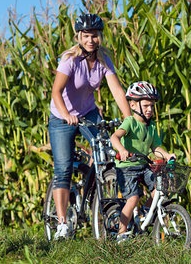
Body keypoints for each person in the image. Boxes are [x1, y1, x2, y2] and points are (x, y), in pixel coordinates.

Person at [48, 13, 131, 240]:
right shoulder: (69, 59)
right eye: (86, 36)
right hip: (61, 117)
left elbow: (116, 90)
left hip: (88, 113)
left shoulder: (104, 58)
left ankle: (95, 191)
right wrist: (66, 115)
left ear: (99, 36)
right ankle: (62, 223)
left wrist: (129, 119)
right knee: (63, 168)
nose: (91, 40)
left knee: (105, 154)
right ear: (79, 36)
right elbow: (56, 92)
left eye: (94, 35)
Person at [110, 81, 175, 242]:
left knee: (158, 191)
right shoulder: (130, 122)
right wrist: (122, 150)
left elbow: (155, 147)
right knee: (133, 198)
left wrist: (166, 155)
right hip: (127, 167)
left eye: (152, 106)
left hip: (143, 165)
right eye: (146, 105)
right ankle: (121, 232)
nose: (150, 109)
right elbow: (115, 137)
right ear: (133, 105)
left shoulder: (151, 126)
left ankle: (146, 211)